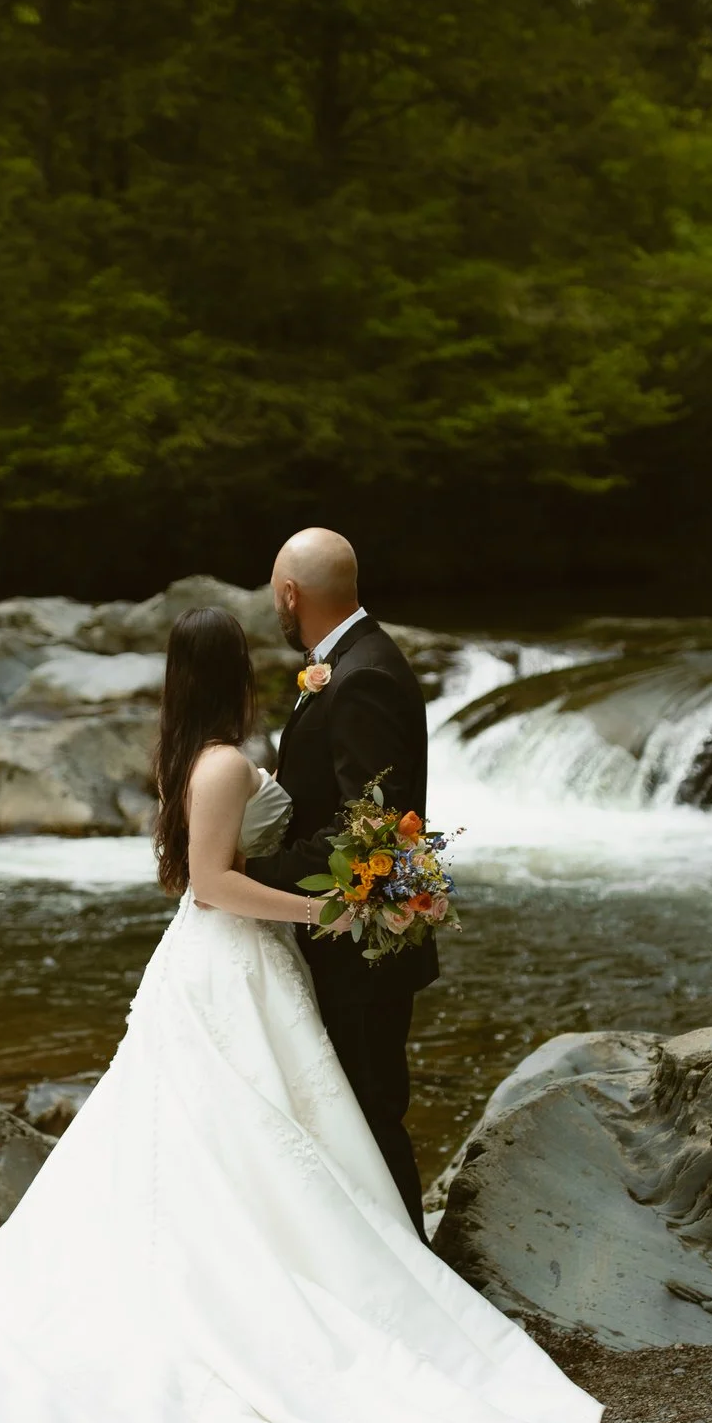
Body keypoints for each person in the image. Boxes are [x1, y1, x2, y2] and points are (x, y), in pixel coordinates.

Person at [0, 589, 641, 1423]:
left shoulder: (197, 752)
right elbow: (211, 882)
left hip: (221, 958)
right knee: (235, 1128)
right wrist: (322, 910)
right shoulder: (225, 760)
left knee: (232, 1128)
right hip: (229, 952)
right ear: (230, 671)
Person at [242, 526, 437, 1231]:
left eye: (275, 593)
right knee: (352, 1118)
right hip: (345, 935)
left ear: (291, 593)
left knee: (370, 1119)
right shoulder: (349, 662)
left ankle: (417, 1274)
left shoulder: (365, 675)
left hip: (363, 949)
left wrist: (252, 874)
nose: (276, 606)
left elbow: (366, 831)